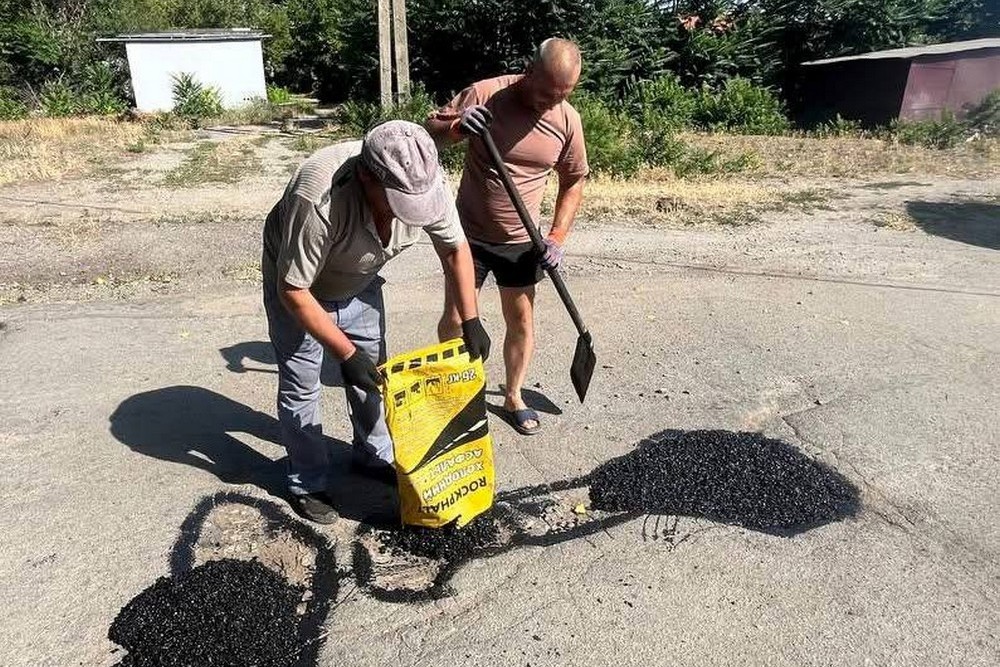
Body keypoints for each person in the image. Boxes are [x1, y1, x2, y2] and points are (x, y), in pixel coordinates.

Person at [262, 120, 490, 524]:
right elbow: (293, 291)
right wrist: (345, 354)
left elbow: (455, 250)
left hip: (360, 278)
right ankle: (307, 481)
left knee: (373, 377)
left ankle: (372, 456)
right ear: (367, 177)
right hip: (300, 287)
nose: (409, 213)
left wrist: (470, 316)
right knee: (302, 384)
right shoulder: (317, 201)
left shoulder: (424, 180)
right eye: (397, 201)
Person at [426, 37, 589, 436]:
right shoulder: (487, 93)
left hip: (522, 239)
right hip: (467, 235)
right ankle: (457, 393)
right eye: (547, 92)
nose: (551, 103)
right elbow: (430, 132)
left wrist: (556, 237)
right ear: (528, 71)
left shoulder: (566, 119)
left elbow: (574, 181)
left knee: (520, 319)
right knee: (455, 319)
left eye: (563, 95)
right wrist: (459, 126)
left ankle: (514, 394)